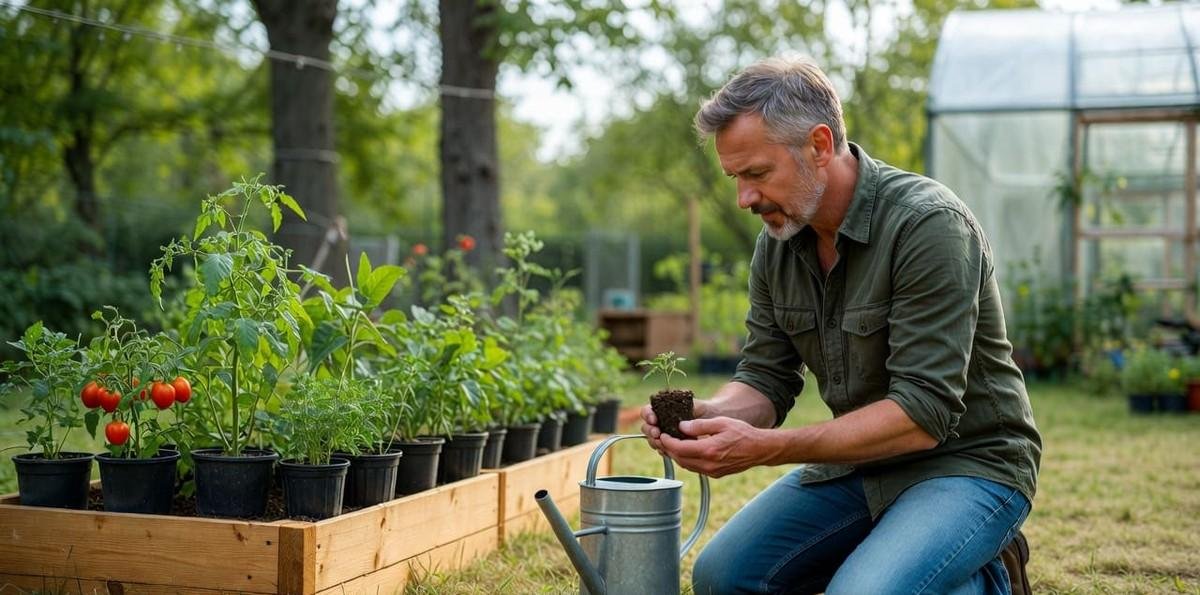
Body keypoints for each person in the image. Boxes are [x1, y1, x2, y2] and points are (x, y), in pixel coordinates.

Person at [640, 56, 1041, 595]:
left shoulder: (929, 225)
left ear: (820, 146)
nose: (745, 199)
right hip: (860, 466)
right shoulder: (777, 244)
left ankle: (986, 576)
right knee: (724, 577)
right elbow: (765, 376)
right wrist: (713, 415)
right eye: (736, 178)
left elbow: (923, 414)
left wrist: (768, 447)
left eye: (757, 174)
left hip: (967, 465)